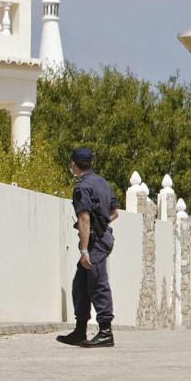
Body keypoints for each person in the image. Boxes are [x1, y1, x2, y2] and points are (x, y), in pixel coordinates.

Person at [56, 147, 119, 348]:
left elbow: (84, 218)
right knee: (80, 285)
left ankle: (106, 332)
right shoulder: (102, 183)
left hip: (95, 243)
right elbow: (115, 212)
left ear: (74, 164)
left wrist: (84, 250)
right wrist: (102, 222)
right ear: (91, 163)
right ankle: (80, 329)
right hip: (102, 237)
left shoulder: (82, 187)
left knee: (98, 283)